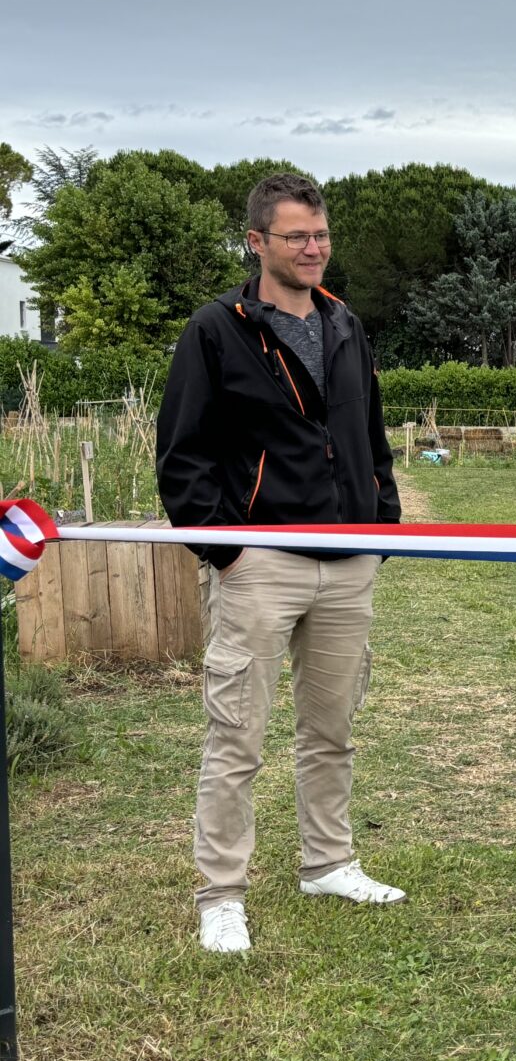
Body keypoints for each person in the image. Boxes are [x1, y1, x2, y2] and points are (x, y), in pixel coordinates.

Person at [156, 173, 405, 955]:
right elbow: (181, 452)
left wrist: (382, 516)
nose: (313, 249)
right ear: (257, 241)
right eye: (296, 236)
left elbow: (369, 426)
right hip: (261, 561)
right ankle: (220, 894)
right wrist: (224, 549)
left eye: (321, 235)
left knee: (332, 729)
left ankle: (327, 862)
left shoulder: (344, 324)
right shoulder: (215, 329)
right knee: (238, 736)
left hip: (348, 557)